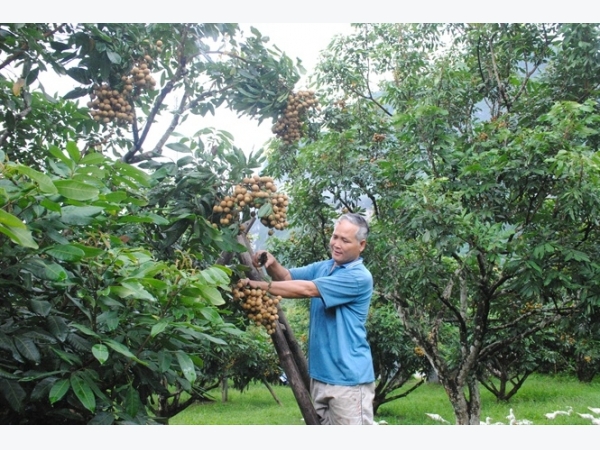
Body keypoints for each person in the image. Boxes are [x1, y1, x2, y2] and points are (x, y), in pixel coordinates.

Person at [243, 213, 375, 425]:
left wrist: (257, 286)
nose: (337, 244)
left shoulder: (358, 276)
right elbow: (287, 278)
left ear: (361, 245)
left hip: (348, 381)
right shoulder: (326, 267)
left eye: (345, 240)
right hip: (320, 375)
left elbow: (307, 289)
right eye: (335, 236)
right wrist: (272, 263)